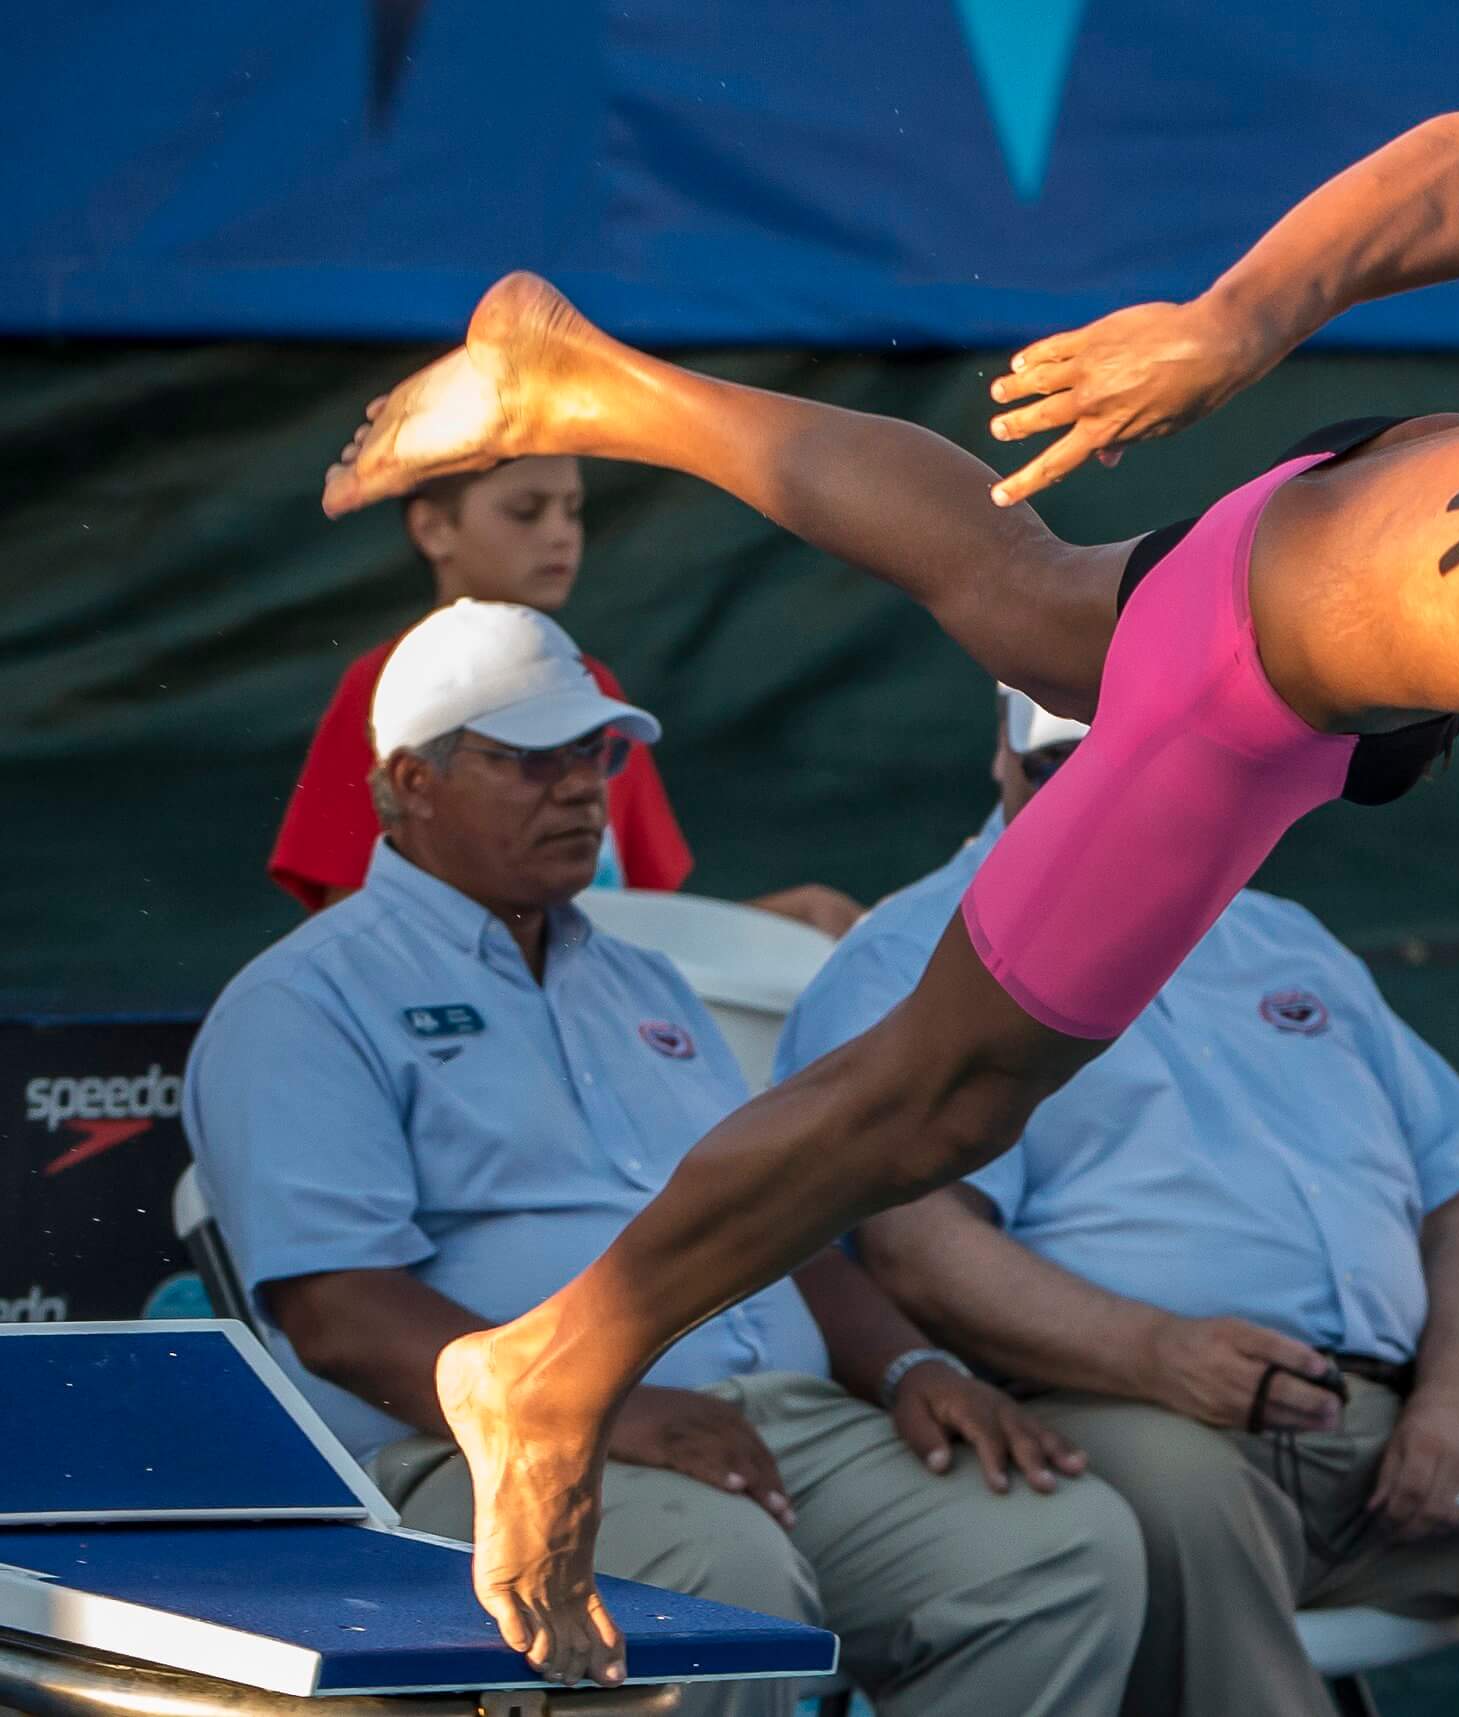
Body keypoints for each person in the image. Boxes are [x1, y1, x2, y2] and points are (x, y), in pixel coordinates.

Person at [315, 11, 1459, 1679]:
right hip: (1277, 663)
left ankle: (583, 379)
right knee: (941, 1094)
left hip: (1419, 574)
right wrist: (1229, 330)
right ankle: (548, 1366)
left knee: (1020, 592)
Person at [184, 601, 1145, 1717]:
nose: (582, 787)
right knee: (719, 1582)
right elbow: (336, 1311)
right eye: (531, 761)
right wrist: (593, 1409)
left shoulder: (645, 983)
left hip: (770, 1421)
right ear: (412, 782)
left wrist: (910, 1367)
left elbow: (775, 1215)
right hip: (468, 1455)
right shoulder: (306, 999)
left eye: (592, 754)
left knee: (1067, 1550)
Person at [781, 689, 1459, 1717]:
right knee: (1169, 1492)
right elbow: (915, 1245)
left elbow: (1455, 1212)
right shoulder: (916, 952)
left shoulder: (1285, 940)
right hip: (1117, 1407)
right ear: (1006, 760)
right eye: (1068, 772)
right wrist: (1152, 1352)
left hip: (1384, 1418)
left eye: (1137, 773)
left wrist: (1458, 1404)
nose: (1100, 804)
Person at [271, 452, 863, 933]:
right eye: (526, 511)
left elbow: (644, 925)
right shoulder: (382, 690)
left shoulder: (599, 690)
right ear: (432, 527)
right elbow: (349, 923)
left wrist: (783, 925)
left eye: (574, 510)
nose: (560, 535)